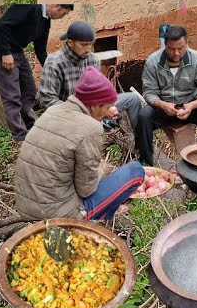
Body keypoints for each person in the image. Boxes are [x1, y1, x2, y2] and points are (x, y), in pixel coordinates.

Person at [14, 67, 146, 221]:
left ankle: (109, 211)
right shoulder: (91, 128)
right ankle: (101, 215)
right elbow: (86, 190)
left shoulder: (52, 112)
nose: (107, 112)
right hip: (60, 216)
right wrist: (101, 170)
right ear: (94, 106)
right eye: (105, 107)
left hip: (26, 210)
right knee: (136, 170)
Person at [35, 20, 153, 158]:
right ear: (70, 43)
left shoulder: (92, 59)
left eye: (90, 45)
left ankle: (142, 151)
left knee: (132, 99)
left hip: (94, 106)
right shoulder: (55, 62)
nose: (87, 49)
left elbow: (99, 89)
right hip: (69, 112)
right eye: (83, 45)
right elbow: (47, 99)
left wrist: (107, 106)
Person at [141, 26, 197, 166]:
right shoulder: (153, 61)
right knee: (144, 116)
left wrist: (191, 106)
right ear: (165, 45)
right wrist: (163, 105)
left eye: (180, 48)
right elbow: (149, 93)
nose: (176, 53)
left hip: (190, 108)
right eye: (171, 48)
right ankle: (146, 164)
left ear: (187, 43)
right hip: (164, 109)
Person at [0, 3, 71, 136]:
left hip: (17, 50)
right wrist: (5, 53)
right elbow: (2, 26)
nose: (62, 17)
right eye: (63, 13)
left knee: (29, 90)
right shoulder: (25, 9)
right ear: (56, 6)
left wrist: (52, 70)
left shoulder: (45, 21)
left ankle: (30, 127)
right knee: (12, 94)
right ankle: (20, 135)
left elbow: (40, 50)